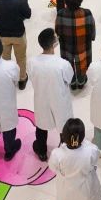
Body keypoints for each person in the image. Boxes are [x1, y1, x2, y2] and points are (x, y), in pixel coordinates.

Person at [29, 28, 73, 160]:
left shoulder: (32, 62)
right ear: (54, 44)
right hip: (60, 100)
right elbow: (69, 78)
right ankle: (66, 148)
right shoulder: (63, 64)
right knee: (63, 125)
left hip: (41, 99)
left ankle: (41, 151)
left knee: (41, 126)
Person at [56, 0, 95, 90]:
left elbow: (57, 31)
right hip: (83, 45)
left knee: (68, 63)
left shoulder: (60, 14)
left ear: (65, 1)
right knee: (82, 63)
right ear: (80, 0)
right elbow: (92, 30)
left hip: (66, 46)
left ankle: (72, 81)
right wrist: (92, 37)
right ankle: (81, 81)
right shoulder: (87, 13)